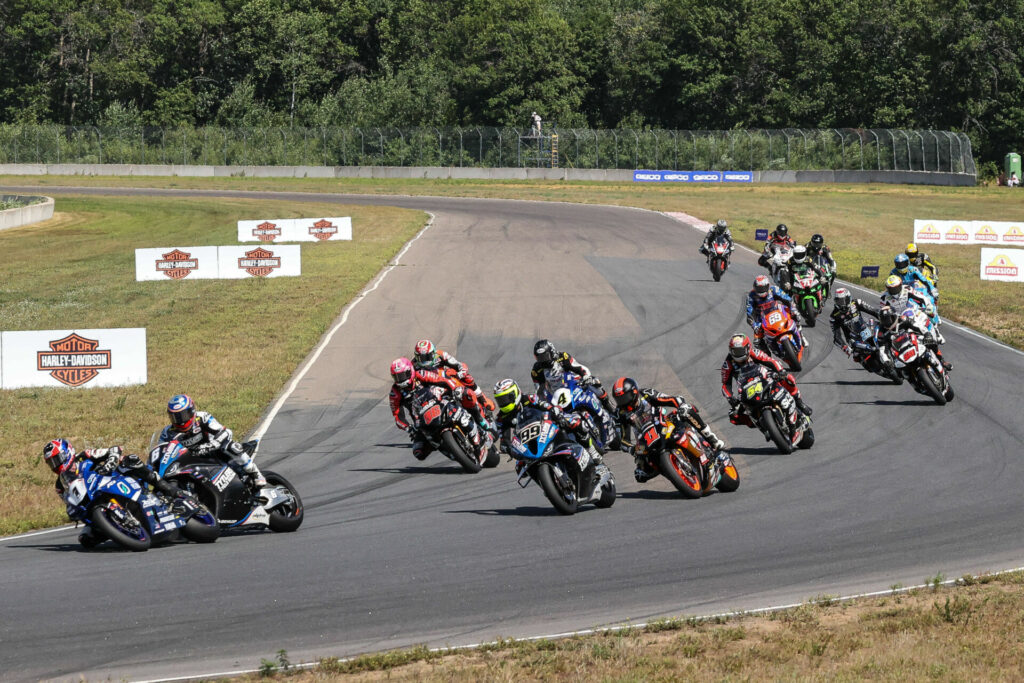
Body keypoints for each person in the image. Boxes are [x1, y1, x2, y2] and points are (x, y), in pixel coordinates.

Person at [43, 438, 197, 548]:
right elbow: (70, 502)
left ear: (67, 453)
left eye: (57, 459)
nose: (55, 465)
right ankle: (119, 529)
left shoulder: (85, 456)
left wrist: (110, 462)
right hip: (93, 504)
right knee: (86, 540)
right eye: (51, 463)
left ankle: (167, 488)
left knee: (130, 460)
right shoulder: (60, 485)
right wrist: (73, 512)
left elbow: (115, 450)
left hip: (114, 480)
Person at [611, 377, 725, 482]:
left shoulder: (645, 394)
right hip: (645, 440)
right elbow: (622, 440)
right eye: (619, 400)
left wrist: (681, 406)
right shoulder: (619, 413)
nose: (623, 402)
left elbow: (670, 399)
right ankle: (675, 472)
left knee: (687, 411)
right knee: (640, 475)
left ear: (634, 392)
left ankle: (712, 439)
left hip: (664, 423)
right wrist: (632, 449)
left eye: (624, 398)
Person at [492, 378, 605, 472]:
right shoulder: (501, 418)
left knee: (576, 422)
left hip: (546, 425)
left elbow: (544, 404)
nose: (503, 403)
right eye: (500, 400)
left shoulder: (528, 399)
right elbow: (503, 436)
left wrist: (555, 411)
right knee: (520, 467)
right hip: (527, 439)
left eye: (505, 399)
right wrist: (505, 446)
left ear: (514, 394)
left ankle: (592, 451)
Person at [389, 357, 485, 461]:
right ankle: (448, 449)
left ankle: (478, 426)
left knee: (466, 395)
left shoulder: (421, 374)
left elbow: (442, 380)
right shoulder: (395, 392)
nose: (400, 380)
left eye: (402, 376)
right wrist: (408, 428)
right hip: (422, 420)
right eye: (396, 377)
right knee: (418, 452)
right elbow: (397, 416)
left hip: (439, 402)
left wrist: (454, 389)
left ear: (410, 371)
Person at [160, 394, 266, 488]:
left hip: (214, 452)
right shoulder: (167, 432)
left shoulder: (202, 418)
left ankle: (255, 473)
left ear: (191, 411)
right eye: (175, 417)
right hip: (190, 461)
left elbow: (226, 432)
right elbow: (162, 451)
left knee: (230, 446)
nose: (180, 421)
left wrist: (210, 445)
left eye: (183, 416)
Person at [720, 333, 813, 424]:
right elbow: (725, 384)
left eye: (740, 351)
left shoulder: (753, 352)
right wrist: (731, 398)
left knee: (788, 379)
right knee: (733, 416)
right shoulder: (727, 364)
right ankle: (757, 423)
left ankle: (799, 402)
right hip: (746, 388)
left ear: (747, 348)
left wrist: (780, 371)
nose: (737, 354)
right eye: (734, 351)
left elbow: (769, 360)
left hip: (762, 376)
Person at [530, 339, 616, 415]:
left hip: (573, 386)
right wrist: (542, 401)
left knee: (595, 382)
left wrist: (586, 377)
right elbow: (538, 391)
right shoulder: (536, 370)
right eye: (539, 358)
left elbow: (580, 368)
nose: (542, 360)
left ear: (551, 352)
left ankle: (608, 405)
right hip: (555, 396)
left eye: (544, 357)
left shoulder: (562, 357)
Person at [412, 339, 493, 411]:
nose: (425, 361)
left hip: (446, 380)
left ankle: (482, 399)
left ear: (433, 353)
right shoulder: (412, 366)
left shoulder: (440, 355)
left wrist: (461, 373)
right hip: (429, 389)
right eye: (421, 358)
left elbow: (459, 365)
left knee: (465, 376)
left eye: (427, 357)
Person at [745, 274, 804, 350]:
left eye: (763, 288)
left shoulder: (774, 289)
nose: (761, 290)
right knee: (757, 341)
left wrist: (793, 310)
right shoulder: (751, 296)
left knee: (796, 316)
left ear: (768, 286)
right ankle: (767, 357)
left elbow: (787, 299)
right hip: (762, 318)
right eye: (759, 288)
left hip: (778, 311)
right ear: (754, 287)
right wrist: (754, 326)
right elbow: (749, 314)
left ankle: (801, 335)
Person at [829, 287, 881, 357]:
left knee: (879, 329)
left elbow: (873, 311)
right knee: (857, 356)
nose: (841, 304)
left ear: (848, 298)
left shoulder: (857, 302)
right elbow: (837, 337)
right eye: (839, 301)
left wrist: (881, 316)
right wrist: (844, 347)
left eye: (843, 301)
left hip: (866, 330)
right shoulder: (834, 316)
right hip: (854, 340)